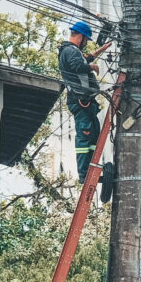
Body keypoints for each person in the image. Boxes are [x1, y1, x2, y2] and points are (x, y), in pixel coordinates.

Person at [58, 21, 105, 185]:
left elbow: (84, 59)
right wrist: (92, 67)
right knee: (85, 138)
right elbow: (78, 65)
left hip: (86, 103)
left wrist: (101, 50)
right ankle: (84, 174)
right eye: (86, 40)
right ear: (81, 36)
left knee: (93, 136)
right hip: (80, 102)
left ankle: (91, 170)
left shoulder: (72, 51)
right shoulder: (71, 51)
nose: (86, 43)